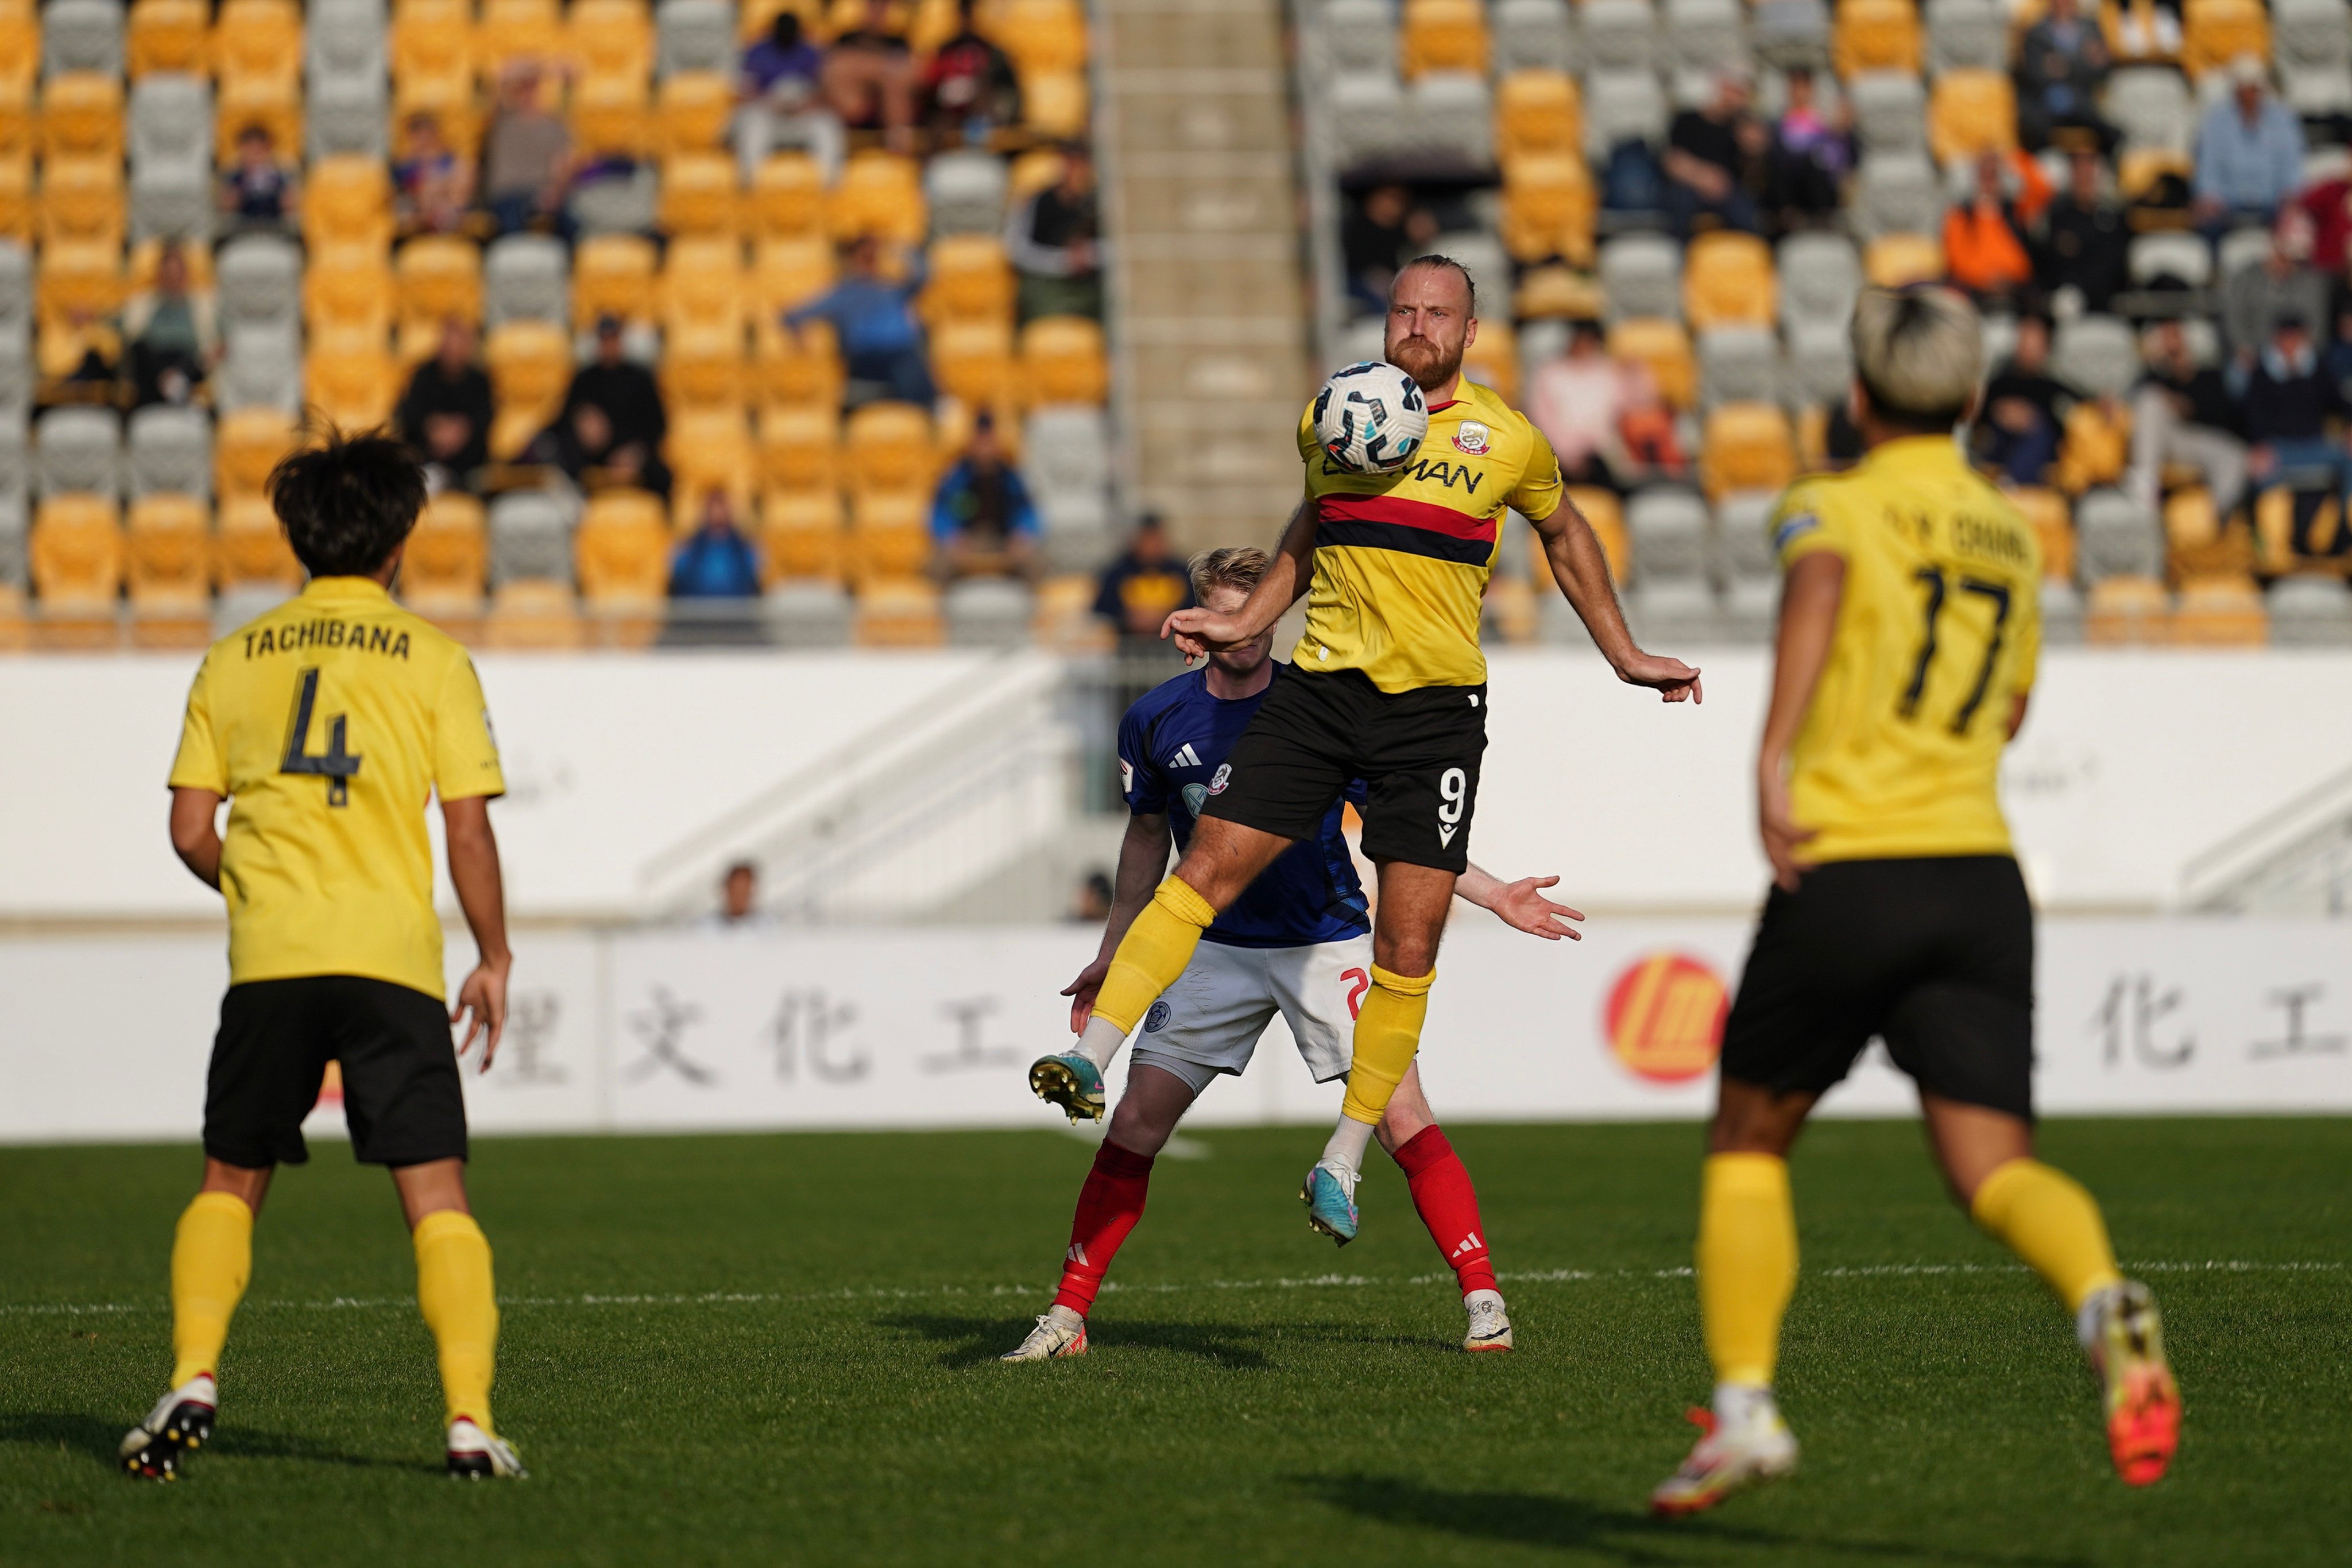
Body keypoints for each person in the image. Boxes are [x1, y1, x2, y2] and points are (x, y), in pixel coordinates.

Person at [1028, 255, 1701, 1246]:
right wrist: (1248, 618)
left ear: (1470, 333)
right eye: (1403, 309)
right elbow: (1309, 528)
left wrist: (1624, 653)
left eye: (1439, 313)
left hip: (1431, 718)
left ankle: (1342, 1157)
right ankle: (1091, 1053)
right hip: (1324, 694)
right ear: (1385, 321)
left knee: (1409, 947)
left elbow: (1566, 537)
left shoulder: (1505, 441)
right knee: (1205, 865)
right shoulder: (1332, 417)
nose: (1418, 325)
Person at [1648, 285, 2178, 1515]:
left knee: (1747, 1141)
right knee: (1992, 1168)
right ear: (1976, 400)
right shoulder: (2008, 530)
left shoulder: (1831, 501)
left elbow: (1819, 586)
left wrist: (1770, 759)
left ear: (1854, 394)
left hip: (1852, 864)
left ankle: (1741, 1410)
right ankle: (2103, 1300)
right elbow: (2010, 709)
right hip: (1978, 873)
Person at [1008, 547, 1586, 1362]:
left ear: (1275, 615)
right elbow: (1144, 839)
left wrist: (1492, 894)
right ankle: (1066, 1317)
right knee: (1135, 1122)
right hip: (1214, 946)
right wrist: (1113, 951)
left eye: (1258, 613)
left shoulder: (1320, 709)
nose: (1245, 631)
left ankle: (1484, 1297)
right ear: (1203, 619)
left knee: (1403, 1114)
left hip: (1325, 940)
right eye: (1227, 613)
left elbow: (1401, 827)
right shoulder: (1157, 717)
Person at [125, 431, 521, 1483]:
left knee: (230, 1177)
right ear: (397, 540)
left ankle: (196, 1375)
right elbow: (468, 831)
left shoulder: (233, 660)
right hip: (390, 961)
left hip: (272, 962)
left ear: (299, 538)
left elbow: (188, 830)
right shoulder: (435, 660)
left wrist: (257, 887)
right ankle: (469, 1420)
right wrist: (494, 955)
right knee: (436, 1196)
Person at [784, 235, 935, 406]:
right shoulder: (843, 293)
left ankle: (925, 414)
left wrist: (900, 250)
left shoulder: (890, 288)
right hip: (867, 357)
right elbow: (794, 315)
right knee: (908, 369)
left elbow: (923, 276)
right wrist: (800, 339)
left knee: (916, 364)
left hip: (901, 353)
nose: (870, 263)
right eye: (865, 257)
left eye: (873, 258)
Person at [2129, 318, 2247, 517]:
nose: (2171, 343)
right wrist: (2154, 363)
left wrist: (2186, 405)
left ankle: (2221, 517)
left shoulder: (2209, 374)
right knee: (2150, 400)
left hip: (2202, 437)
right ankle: (2145, 484)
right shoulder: (2155, 374)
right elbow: (2134, 398)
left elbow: (2221, 414)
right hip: (2169, 437)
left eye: (2176, 336)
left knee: (2234, 457)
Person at [1525, 318, 1645, 491]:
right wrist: (1568, 455)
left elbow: (1636, 406)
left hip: (1604, 457)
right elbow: (1541, 420)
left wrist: (1634, 372)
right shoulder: (1549, 373)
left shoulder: (1609, 372)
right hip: (1559, 459)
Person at [2243, 312, 2352, 498]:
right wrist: (2259, 444)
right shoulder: (2261, 373)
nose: (2290, 344)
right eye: (2285, 337)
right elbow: (2252, 414)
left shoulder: (2318, 368)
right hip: (2279, 448)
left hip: (2315, 445)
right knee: (2261, 471)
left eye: (2295, 337)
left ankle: (2344, 522)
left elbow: (2338, 403)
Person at [2193, 56, 2304, 236]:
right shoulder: (2216, 120)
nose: (2248, 95)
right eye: (2243, 89)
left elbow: (2292, 165)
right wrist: (2210, 197)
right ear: (2235, 90)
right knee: (2205, 219)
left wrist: (2290, 197)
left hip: (2272, 205)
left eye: (2253, 89)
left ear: (2262, 89)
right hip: (2228, 206)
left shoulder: (2283, 119)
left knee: (2297, 222)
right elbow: (2208, 166)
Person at [1971, 311, 2078, 486]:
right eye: (2023, 339)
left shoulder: (2053, 388)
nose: (2026, 347)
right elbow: (1976, 424)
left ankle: (2013, 483)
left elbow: (2075, 417)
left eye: (2035, 342)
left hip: (2041, 465)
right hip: (1998, 453)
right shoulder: (1999, 385)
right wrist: (2000, 412)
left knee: (2041, 432)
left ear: (2047, 348)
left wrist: (2034, 419)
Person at [735, 10, 842, 183]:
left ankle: (830, 183)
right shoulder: (757, 52)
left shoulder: (811, 53)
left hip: (803, 114)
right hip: (768, 112)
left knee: (827, 125)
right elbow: (745, 90)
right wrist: (768, 102)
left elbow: (825, 90)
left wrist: (808, 104)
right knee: (751, 125)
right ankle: (750, 183)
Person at [929, 412, 1040, 578]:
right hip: (968, 541)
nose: (985, 450)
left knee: (1034, 564)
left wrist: (1022, 534)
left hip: (1003, 541)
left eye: (989, 443)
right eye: (981, 443)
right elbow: (941, 512)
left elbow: (1026, 509)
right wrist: (951, 536)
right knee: (938, 567)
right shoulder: (957, 477)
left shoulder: (1010, 476)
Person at [2221, 207, 2330, 369]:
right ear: (2275, 240)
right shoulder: (2245, 279)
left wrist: (2296, 351)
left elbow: (2317, 328)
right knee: (2239, 374)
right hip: (2254, 355)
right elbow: (2234, 321)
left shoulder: (2311, 282)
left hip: (2298, 355)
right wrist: (2245, 349)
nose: (2292, 261)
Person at [1005, 142, 1102, 323]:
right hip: (1045, 287)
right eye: (1071, 165)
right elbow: (1016, 250)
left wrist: (1091, 256)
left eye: (1081, 166)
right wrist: (1063, 262)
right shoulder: (1037, 201)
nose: (1076, 173)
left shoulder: (1098, 204)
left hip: (1089, 290)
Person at [1665, 69, 1767, 236]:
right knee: (1681, 204)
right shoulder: (1687, 121)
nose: (1736, 98)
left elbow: (1755, 174)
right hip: (1690, 186)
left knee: (1748, 214)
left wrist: (1755, 148)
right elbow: (1672, 161)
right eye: (1733, 91)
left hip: (1729, 190)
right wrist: (1702, 177)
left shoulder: (1741, 127)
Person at [396, 318, 495, 489]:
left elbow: (485, 417)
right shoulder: (423, 376)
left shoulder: (480, 381)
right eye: (448, 343)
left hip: (470, 465)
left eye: (459, 343)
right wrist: (433, 428)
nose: (453, 350)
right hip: (427, 460)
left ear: (468, 347)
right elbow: (410, 413)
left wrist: (460, 431)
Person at [1943, 150, 2052, 302]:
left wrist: (2013, 157)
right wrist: (1986, 279)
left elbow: (2043, 191)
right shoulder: (1961, 215)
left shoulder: (2015, 211)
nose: (1988, 180)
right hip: (1976, 291)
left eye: (1993, 174)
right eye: (1983, 174)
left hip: (2016, 289)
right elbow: (1956, 260)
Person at [479, 61, 574, 236]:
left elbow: (561, 165)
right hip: (508, 193)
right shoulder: (502, 120)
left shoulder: (555, 125)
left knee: (570, 223)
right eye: (523, 88)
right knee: (511, 226)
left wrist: (554, 193)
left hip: (540, 192)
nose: (529, 94)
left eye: (533, 88)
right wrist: (544, 69)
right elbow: (500, 76)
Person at [2034, 148, 2132, 313]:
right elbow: (2051, 264)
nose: (2085, 176)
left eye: (2090, 171)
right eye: (2079, 170)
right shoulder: (2057, 217)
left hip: (2108, 308)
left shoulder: (2114, 219)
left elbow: (2117, 266)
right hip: (2066, 307)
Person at [121, 241, 216, 409]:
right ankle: (172, 386)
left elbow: (217, 342)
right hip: (152, 366)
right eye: (167, 274)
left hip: (189, 363)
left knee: (197, 360)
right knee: (139, 348)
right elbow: (120, 330)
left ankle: (176, 384)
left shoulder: (204, 305)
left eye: (176, 274)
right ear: (159, 276)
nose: (173, 280)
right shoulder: (141, 304)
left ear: (185, 274)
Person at [562, 315, 667, 460]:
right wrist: (581, 420)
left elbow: (657, 425)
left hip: (633, 453)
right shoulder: (584, 380)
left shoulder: (641, 379)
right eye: (605, 341)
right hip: (591, 455)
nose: (609, 346)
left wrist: (637, 451)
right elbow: (565, 419)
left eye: (613, 339)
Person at [2014, 0, 2112, 151]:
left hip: (2082, 102)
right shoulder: (2036, 32)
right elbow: (2034, 74)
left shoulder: (2091, 29)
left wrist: (2064, 67)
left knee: (2112, 134)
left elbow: (2102, 69)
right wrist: (2083, 62)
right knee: (2034, 135)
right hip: (2046, 104)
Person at [821, 0, 917, 153]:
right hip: (851, 106)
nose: (877, 11)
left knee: (895, 78)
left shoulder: (898, 41)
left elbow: (912, 71)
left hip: (888, 102)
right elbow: (836, 70)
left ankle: (898, 139)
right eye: (873, 5)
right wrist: (879, 68)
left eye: (882, 6)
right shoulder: (846, 39)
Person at [1763, 67, 1850, 233]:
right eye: (1795, 87)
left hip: (1817, 175)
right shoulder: (1779, 121)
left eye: (1804, 86)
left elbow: (1835, 153)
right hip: (1789, 178)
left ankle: (1823, 215)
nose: (1799, 92)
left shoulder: (1823, 120)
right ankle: (1787, 214)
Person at [923, 0, 1022, 141]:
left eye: (971, 12)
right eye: (964, 12)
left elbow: (1010, 93)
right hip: (950, 115)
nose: (968, 18)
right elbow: (930, 90)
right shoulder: (944, 50)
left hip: (986, 115)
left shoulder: (994, 52)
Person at [1092, 513, 1193, 644]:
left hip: (1173, 649)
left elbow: (1195, 608)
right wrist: (1127, 618)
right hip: (1128, 649)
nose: (1151, 546)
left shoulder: (1182, 573)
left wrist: (1166, 618)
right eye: (1146, 539)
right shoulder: (1117, 574)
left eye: (1155, 539)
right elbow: (1102, 611)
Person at [668, 491, 764, 599]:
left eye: (722, 508)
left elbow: (755, 579)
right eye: (714, 508)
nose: (718, 514)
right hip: (696, 611)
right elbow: (677, 578)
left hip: (737, 612)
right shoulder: (687, 548)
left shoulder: (746, 548)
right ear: (706, 513)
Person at [393, 113, 473, 236]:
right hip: (417, 222)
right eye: (418, 138)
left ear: (436, 136)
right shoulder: (404, 169)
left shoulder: (455, 162)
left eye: (428, 138)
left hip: (450, 218)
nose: (424, 143)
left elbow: (460, 196)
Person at [1343, 184, 1417, 316]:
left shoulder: (1405, 230)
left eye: (1401, 201)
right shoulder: (1352, 227)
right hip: (1358, 284)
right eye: (1391, 199)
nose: (1395, 207)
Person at [217, 125, 300, 235]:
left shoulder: (282, 175)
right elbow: (227, 209)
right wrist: (245, 182)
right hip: (241, 230)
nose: (254, 156)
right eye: (250, 150)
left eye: (259, 151)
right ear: (241, 150)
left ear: (268, 150)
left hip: (277, 229)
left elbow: (291, 208)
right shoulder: (233, 176)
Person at [706, 861, 768, 928]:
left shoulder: (768, 927)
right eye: (736, 889)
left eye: (744, 890)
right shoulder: (706, 927)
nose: (740, 896)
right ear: (727, 889)